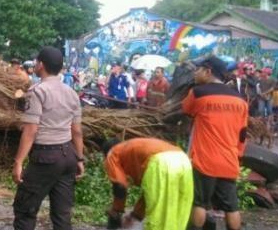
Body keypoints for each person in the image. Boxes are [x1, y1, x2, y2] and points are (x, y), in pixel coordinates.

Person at [12, 46, 84, 230]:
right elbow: (76, 131)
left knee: (25, 209)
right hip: (68, 155)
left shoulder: (37, 91)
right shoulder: (72, 93)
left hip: (45, 157)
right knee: (62, 215)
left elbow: (31, 130)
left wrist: (18, 162)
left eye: (36, 62)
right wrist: (80, 159)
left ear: (41, 65)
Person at [183, 55, 248, 230]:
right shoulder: (240, 99)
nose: (195, 73)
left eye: (198, 70)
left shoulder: (198, 93)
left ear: (208, 71)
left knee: (200, 203)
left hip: (205, 161)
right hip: (229, 160)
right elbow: (242, 134)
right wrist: (238, 156)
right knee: (231, 207)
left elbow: (186, 110)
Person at [102, 138, 193, 230]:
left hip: (162, 163)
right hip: (184, 161)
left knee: (157, 217)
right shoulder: (136, 151)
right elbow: (151, 193)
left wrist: (116, 211)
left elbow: (120, 186)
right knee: (176, 214)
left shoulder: (113, 153)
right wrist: (136, 215)